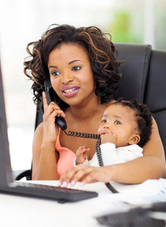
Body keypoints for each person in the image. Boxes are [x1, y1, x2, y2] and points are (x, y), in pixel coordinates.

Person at [24, 24, 166, 184]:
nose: (65, 79)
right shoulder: (45, 130)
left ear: (95, 69)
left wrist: (107, 172)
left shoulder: (130, 116)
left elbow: (157, 167)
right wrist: (48, 143)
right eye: (55, 72)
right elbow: (42, 193)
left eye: (76, 68)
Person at [75, 98, 152, 167]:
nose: (106, 125)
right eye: (104, 121)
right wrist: (82, 163)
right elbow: (94, 172)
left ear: (133, 139)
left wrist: (107, 145)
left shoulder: (131, 154)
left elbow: (112, 170)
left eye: (117, 122)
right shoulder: (103, 150)